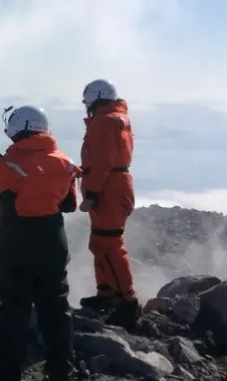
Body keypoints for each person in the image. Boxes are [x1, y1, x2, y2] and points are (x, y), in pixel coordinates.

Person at [0, 105, 78, 381]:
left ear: (18, 128)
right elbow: (69, 204)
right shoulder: (64, 162)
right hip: (53, 245)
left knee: (13, 314)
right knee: (56, 311)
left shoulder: (8, 165)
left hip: (15, 248)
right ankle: (61, 372)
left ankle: (7, 375)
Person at [76, 79, 140, 327]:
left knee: (110, 244)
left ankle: (127, 301)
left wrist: (91, 192)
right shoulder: (117, 119)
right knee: (100, 242)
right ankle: (107, 294)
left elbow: (102, 161)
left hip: (108, 189)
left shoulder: (103, 122)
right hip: (116, 185)